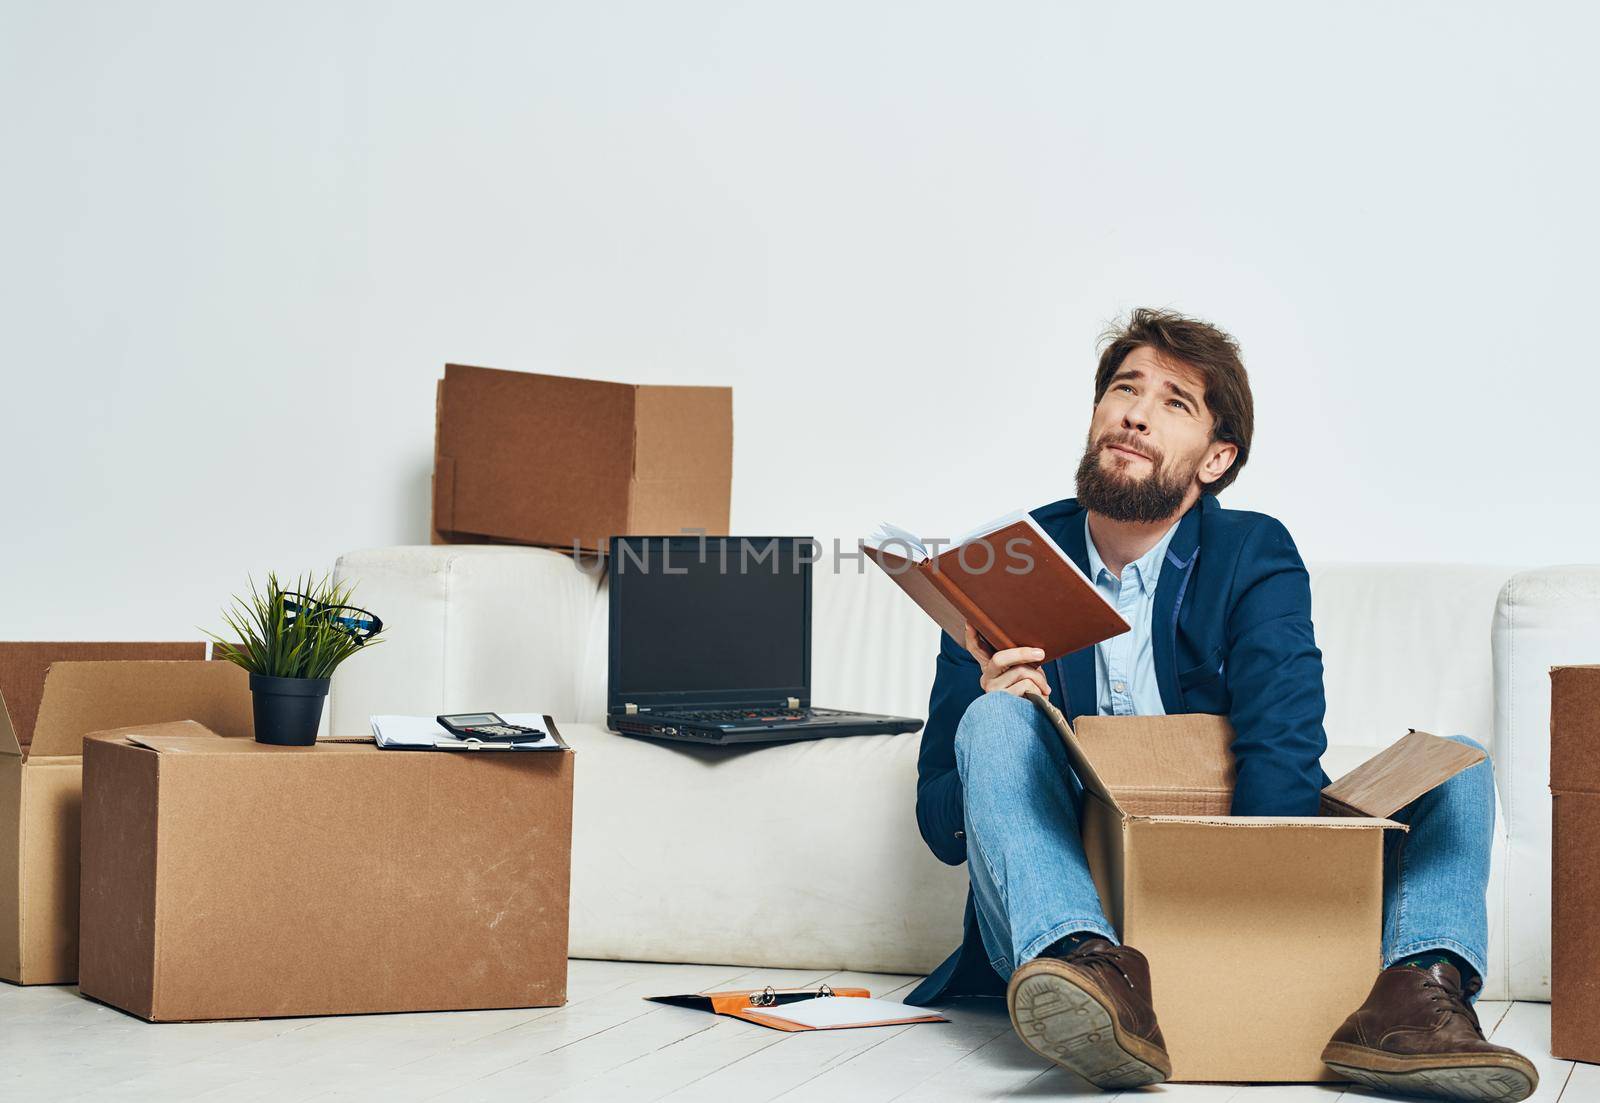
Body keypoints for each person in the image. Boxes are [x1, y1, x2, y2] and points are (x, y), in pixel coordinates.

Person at [903, 309, 1537, 1101]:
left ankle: (1413, 996)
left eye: (1176, 402)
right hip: (1059, 904)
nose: (1135, 411)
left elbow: (1283, 746)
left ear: (1216, 456)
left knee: (1458, 759)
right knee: (994, 718)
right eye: (1124, 389)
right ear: (1097, 414)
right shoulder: (1006, 562)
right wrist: (993, 728)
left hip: (1220, 891)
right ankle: (1088, 970)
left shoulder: (1251, 552)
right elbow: (941, 828)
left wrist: (1247, 936)